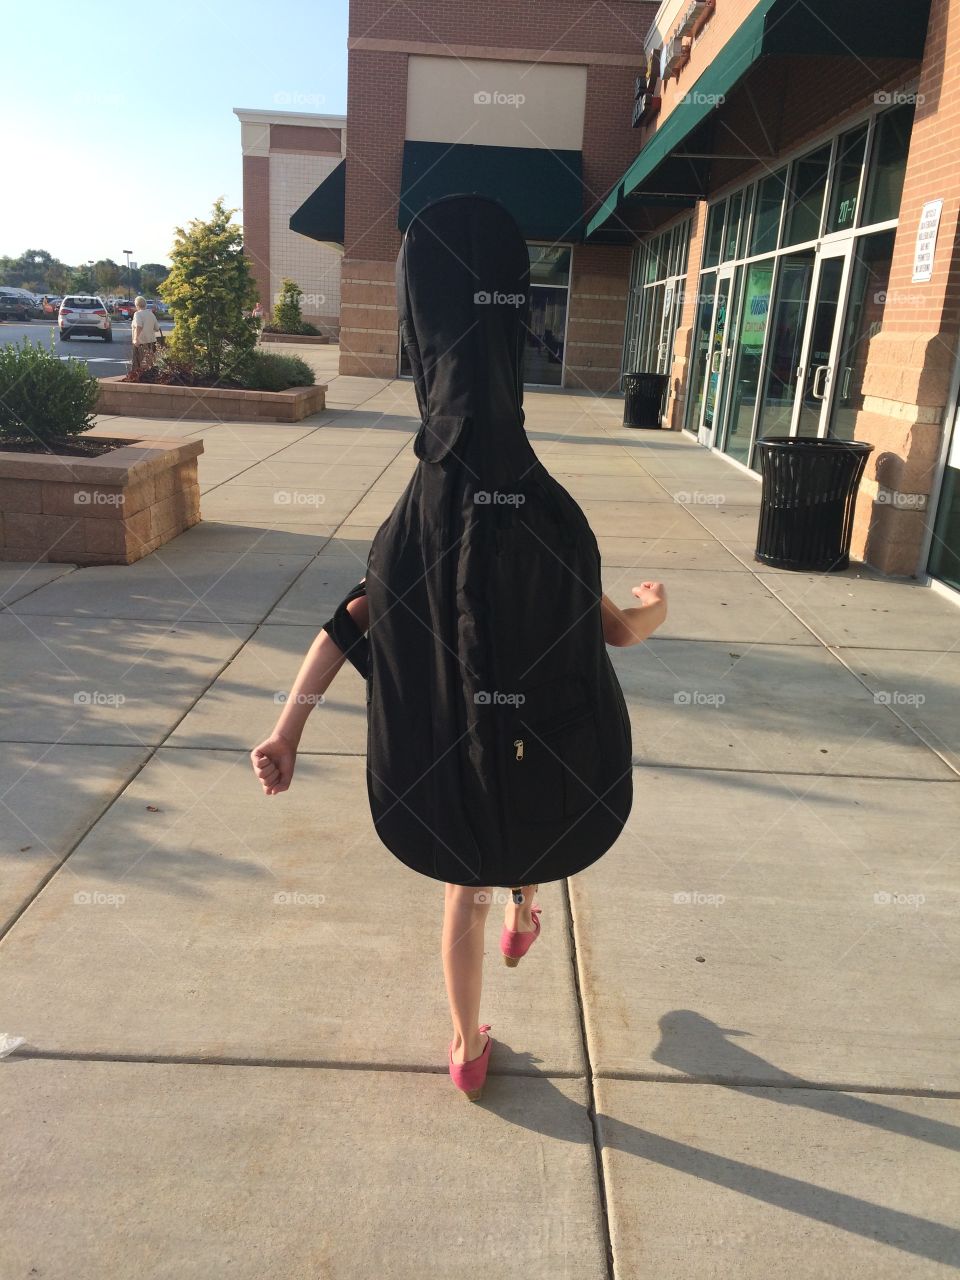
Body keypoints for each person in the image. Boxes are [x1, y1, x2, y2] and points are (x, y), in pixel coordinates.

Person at [249, 194, 669, 1101]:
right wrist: (654, 608)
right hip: (542, 756)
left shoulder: (414, 534)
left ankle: (464, 1046)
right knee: (525, 832)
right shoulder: (546, 519)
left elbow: (343, 628)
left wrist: (288, 730)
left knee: (461, 892)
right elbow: (616, 632)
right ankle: (526, 905)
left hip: (453, 772)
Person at [130, 295, 162, 372]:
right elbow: (157, 328)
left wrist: (135, 339)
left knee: (137, 363)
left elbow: (139, 326)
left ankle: (137, 380)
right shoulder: (151, 314)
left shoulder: (138, 314)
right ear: (145, 304)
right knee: (150, 363)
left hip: (141, 342)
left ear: (137, 305)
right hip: (151, 342)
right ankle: (150, 377)